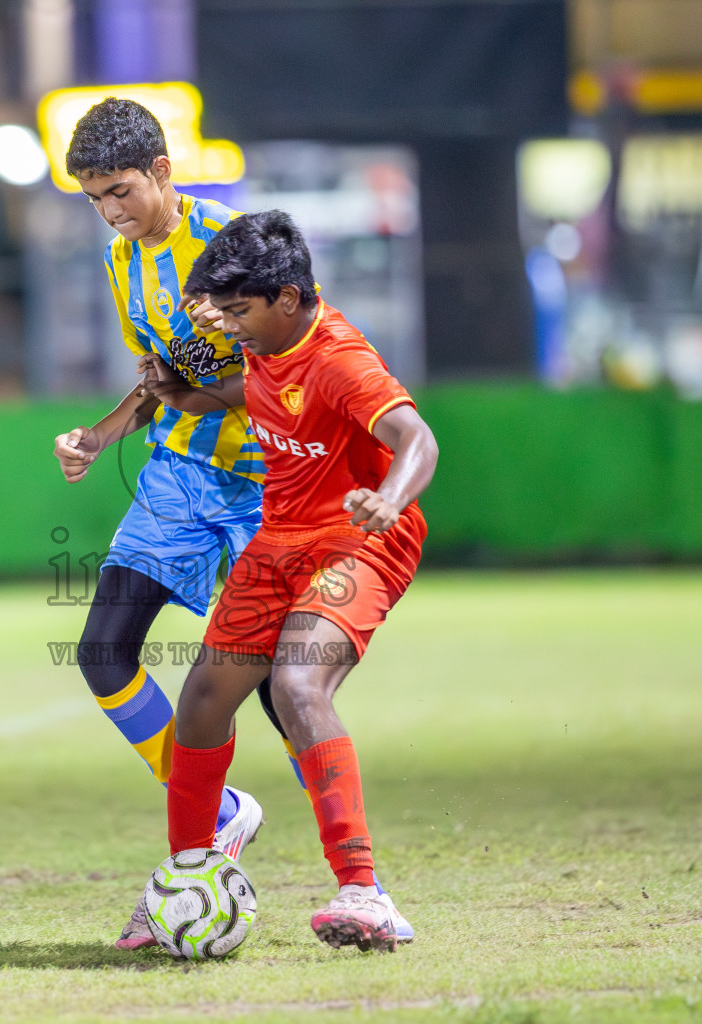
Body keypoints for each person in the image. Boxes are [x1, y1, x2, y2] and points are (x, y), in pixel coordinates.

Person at [139, 210, 438, 951]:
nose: (232, 325)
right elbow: (258, 392)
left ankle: (364, 892)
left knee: (298, 684)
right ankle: (186, 879)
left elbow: (416, 437)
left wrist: (389, 498)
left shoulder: (339, 356)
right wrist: (187, 393)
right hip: (279, 542)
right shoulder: (268, 346)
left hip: (359, 541)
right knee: (203, 702)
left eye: (240, 311)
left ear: (288, 297)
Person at [49, 98, 269, 950]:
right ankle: (217, 817)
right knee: (102, 651)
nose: (111, 211)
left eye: (120, 191)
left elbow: (292, 364)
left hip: (262, 484)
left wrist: (216, 376)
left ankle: (359, 886)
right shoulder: (121, 262)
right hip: (179, 476)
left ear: (163, 172)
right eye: (96, 197)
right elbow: (160, 376)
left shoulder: (234, 248)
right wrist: (98, 435)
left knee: (287, 690)